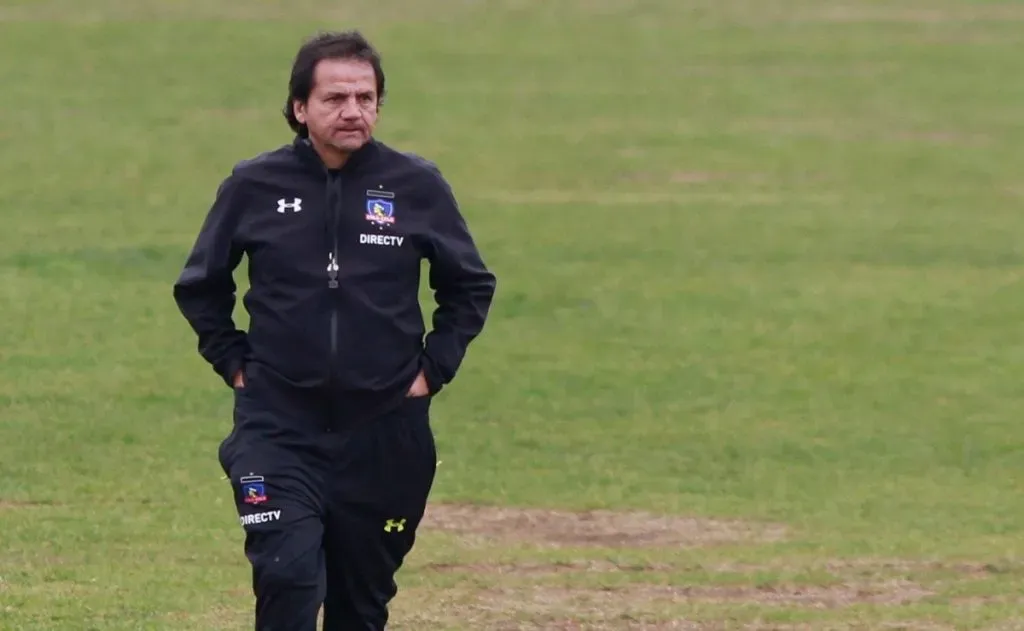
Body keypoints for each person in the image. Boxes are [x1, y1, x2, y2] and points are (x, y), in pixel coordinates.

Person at [172, 30, 496, 630]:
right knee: (288, 578)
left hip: (385, 435)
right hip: (278, 427)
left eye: (366, 97)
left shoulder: (416, 186)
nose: (353, 111)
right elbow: (201, 285)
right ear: (300, 108)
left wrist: (432, 371)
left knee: (360, 607)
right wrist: (234, 362)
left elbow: (470, 285)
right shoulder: (254, 186)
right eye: (335, 98)